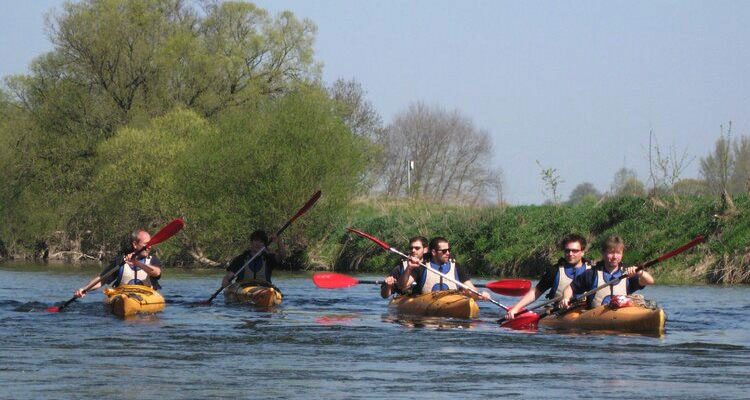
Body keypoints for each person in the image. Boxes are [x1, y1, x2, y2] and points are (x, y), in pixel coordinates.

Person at [505, 233, 592, 319]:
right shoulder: (554, 271)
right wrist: (515, 309)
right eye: (567, 250)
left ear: (582, 252)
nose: (570, 254)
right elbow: (535, 292)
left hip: (586, 312)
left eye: (575, 251)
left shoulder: (593, 271)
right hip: (559, 313)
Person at [560, 235, 654, 309]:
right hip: (595, 320)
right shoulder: (591, 274)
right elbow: (570, 288)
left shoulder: (627, 273)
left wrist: (640, 272)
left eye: (618, 253)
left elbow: (649, 281)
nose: (614, 257)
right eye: (611, 252)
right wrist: (566, 298)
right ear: (603, 253)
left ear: (622, 254)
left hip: (621, 316)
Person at [74, 230, 162, 298]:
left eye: (150, 244)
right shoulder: (120, 261)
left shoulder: (153, 261)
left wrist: (137, 263)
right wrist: (85, 289)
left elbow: (156, 273)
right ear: (135, 244)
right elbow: (102, 279)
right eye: (146, 244)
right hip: (124, 298)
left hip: (148, 298)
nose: (149, 247)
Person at [398, 237, 490, 300]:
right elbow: (402, 285)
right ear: (434, 252)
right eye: (444, 251)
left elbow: (470, 288)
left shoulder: (456, 267)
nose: (448, 253)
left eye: (449, 250)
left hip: (452, 304)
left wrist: (479, 295)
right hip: (427, 310)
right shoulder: (422, 266)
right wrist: (409, 269)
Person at [221, 229, 286, 288]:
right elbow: (228, 276)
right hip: (243, 290)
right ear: (251, 242)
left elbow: (282, 255)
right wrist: (226, 280)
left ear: (264, 244)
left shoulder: (269, 258)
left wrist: (279, 241)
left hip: (264, 289)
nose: (258, 244)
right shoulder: (241, 259)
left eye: (261, 242)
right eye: (256, 240)